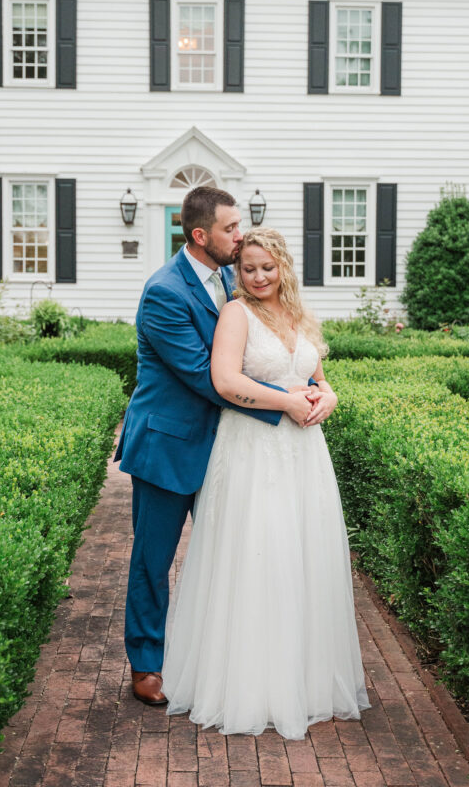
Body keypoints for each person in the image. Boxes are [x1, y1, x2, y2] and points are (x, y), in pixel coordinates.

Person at [115, 188, 336, 706]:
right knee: (154, 561)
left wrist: (320, 390)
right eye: (231, 229)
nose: (240, 236)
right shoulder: (165, 292)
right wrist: (287, 403)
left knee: (234, 558)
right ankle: (146, 666)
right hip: (170, 446)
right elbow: (205, 375)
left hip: (233, 447)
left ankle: (229, 664)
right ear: (201, 236)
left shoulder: (230, 283)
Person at [161, 227, 370, 738]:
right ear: (238, 270)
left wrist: (328, 398)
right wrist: (289, 402)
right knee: (261, 554)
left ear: (283, 267)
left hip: (304, 453)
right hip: (253, 451)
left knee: (301, 556)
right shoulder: (236, 314)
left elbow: (319, 378)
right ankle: (252, 687)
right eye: (248, 268)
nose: (257, 277)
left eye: (266, 268)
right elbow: (226, 381)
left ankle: (304, 682)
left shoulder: (298, 314)